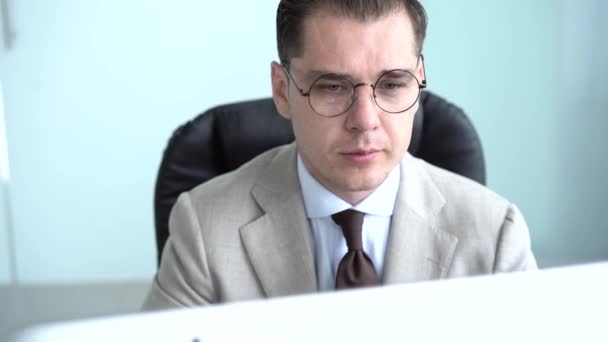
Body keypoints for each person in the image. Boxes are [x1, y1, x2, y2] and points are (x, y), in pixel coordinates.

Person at [142, 0, 536, 310]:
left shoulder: (496, 235)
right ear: (282, 90)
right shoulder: (204, 228)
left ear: (418, 82)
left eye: (392, 83)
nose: (365, 121)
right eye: (332, 86)